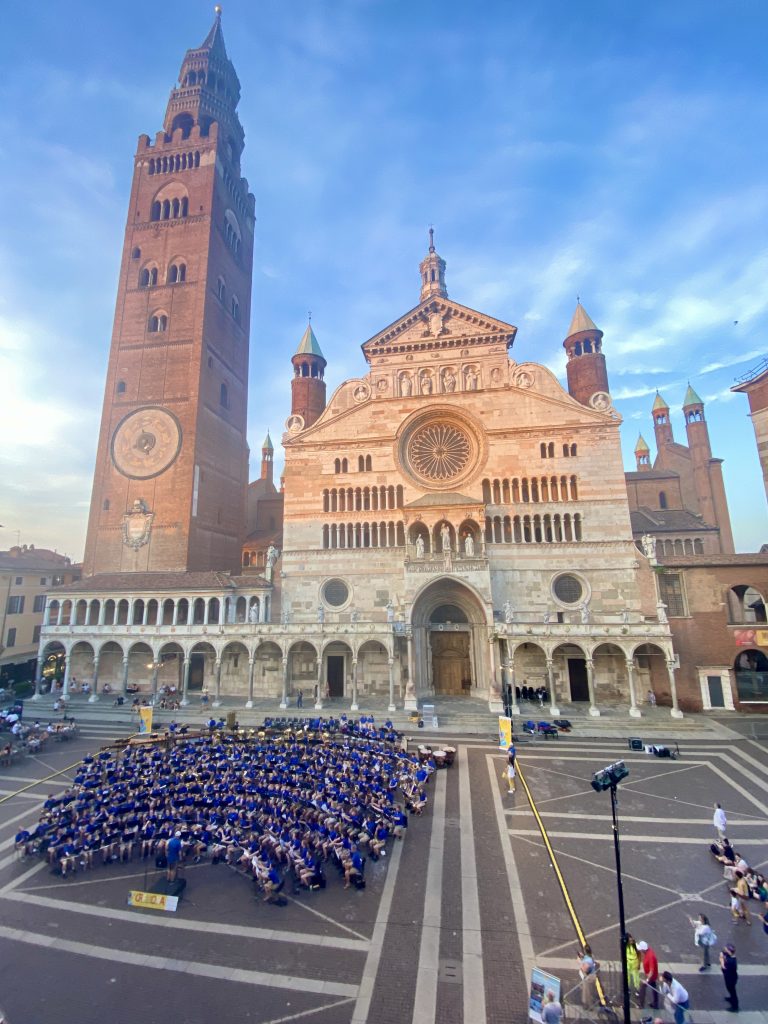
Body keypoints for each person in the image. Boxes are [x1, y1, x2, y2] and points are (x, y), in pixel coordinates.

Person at [637, 940, 659, 1010]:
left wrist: (646, 980)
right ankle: (655, 1003)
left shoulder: (650, 956)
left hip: (651, 976)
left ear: (643, 950)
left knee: (643, 987)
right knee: (654, 988)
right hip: (650, 976)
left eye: (640, 950)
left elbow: (651, 971)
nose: (640, 951)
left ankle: (641, 1004)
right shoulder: (648, 952)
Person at [720, 943, 738, 1012]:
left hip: (731, 979)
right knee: (729, 989)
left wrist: (721, 959)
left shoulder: (731, 962)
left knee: (732, 991)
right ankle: (731, 998)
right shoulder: (731, 957)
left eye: (726, 950)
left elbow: (723, 968)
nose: (725, 951)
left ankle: (735, 1006)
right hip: (730, 977)